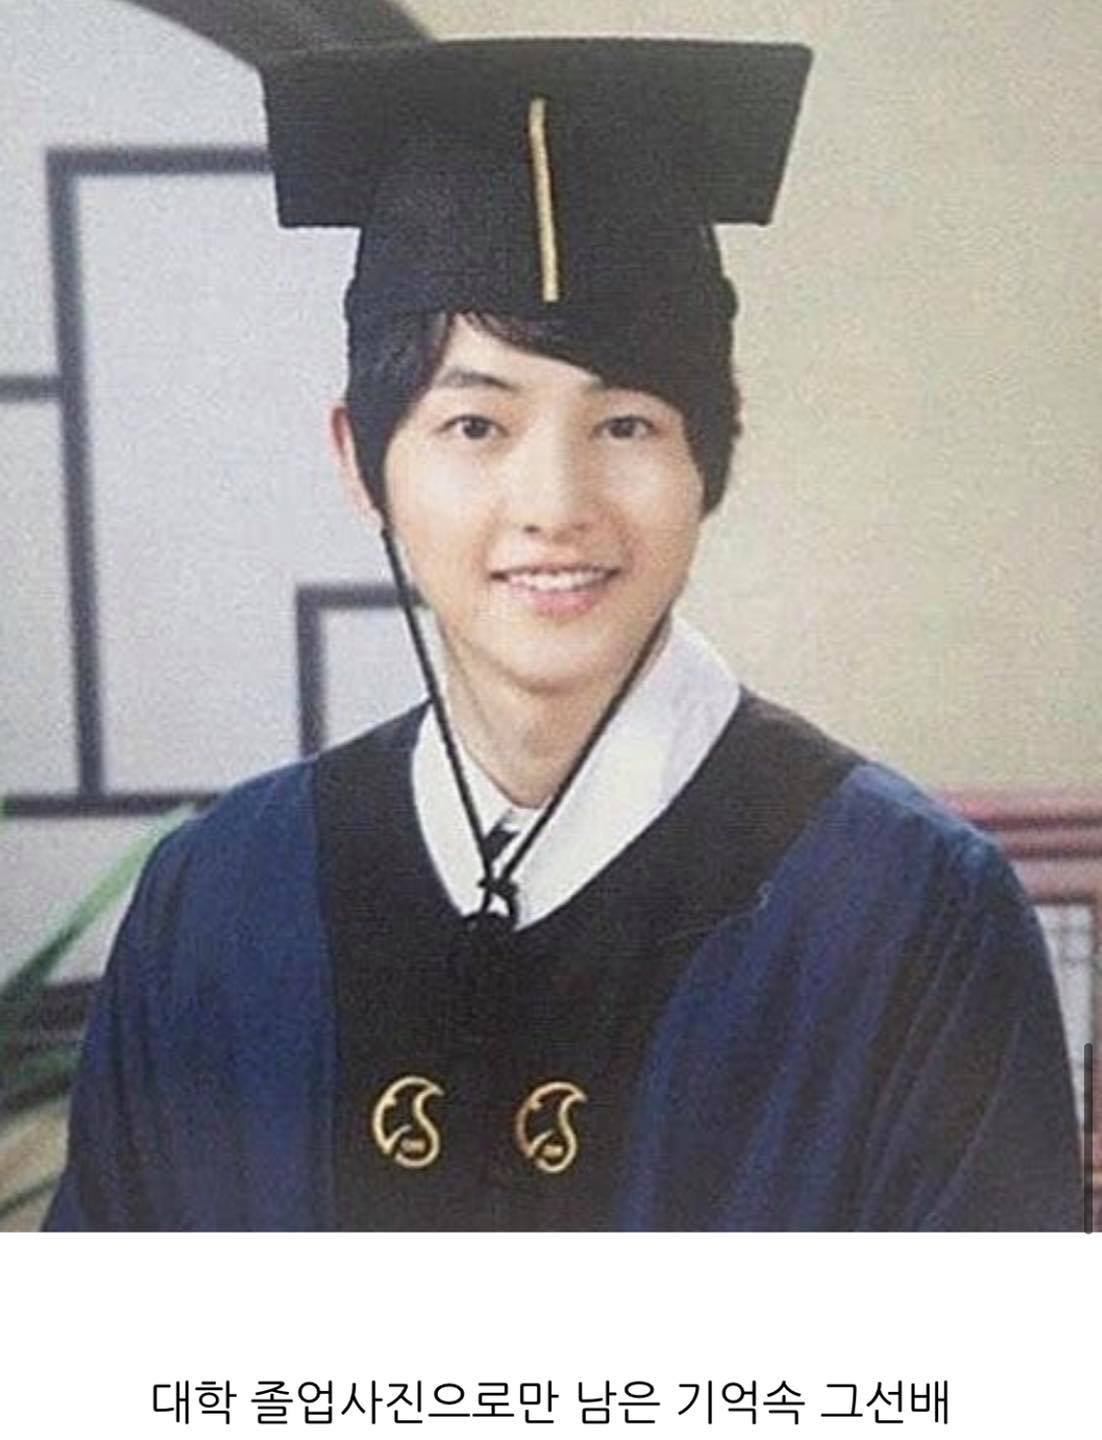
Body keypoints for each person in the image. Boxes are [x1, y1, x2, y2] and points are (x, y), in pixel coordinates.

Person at [45, 38, 1080, 1231]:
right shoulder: (221, 904)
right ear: (359, 461)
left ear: (714, 448)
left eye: (625, 424)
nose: (555, 505)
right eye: (475, 427)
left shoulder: (905, 915)